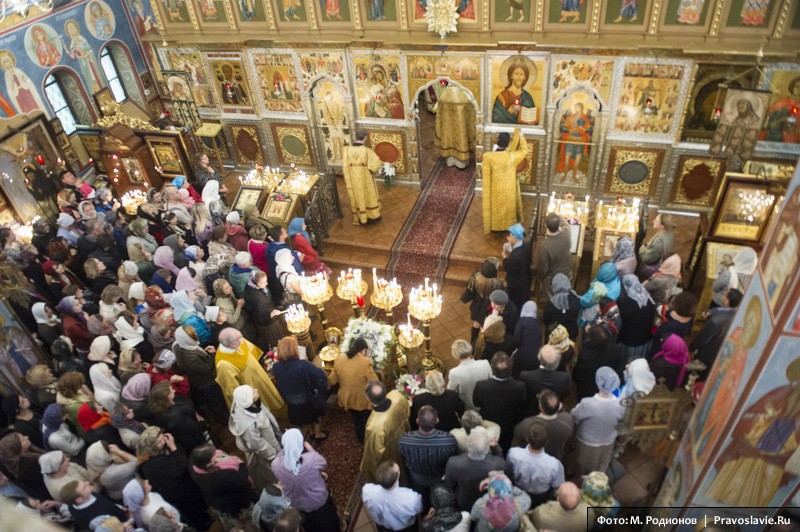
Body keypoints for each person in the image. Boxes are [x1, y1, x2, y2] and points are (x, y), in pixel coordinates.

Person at [136, 426, 212, 530]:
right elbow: (182, 465)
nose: (163, 438)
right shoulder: (157, 464)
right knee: (196, 513)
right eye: (159, 440)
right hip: (182, 493)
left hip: (175, 495)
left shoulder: (146, 464)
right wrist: (172, 446)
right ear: (154, 447)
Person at [272, 428, 339, 532]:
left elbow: (284, 459)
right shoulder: (311, 459)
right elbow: (323, 463)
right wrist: (311, 449)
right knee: (331, 524)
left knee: (312, 527)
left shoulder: (276, 465)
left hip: (299, 507)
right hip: (319, 503)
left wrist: (288, 443)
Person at [215, 327, 286, 416]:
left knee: (272, 396)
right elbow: (232, 389)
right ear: (232, 345)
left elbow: (251, 351)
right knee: (265, 408)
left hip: (260, 376)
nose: (242, 337)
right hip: (252, 387)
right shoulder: (223, 364)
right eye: (240, 337)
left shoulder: (237, 340)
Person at [398, 405, 458, 504]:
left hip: (417, 477)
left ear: (417, 421)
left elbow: (403, 456)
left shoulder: (405, 440)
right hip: (439, 477)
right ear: (437, 421)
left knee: (421, 500)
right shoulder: (448, 441)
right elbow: (453, 457)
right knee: (441, 501)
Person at [272, 336, 329, 440]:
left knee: (306, 419)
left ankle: (311, 432)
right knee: (317, 416)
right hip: (308, 401)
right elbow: (321, 376)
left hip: (292, 403)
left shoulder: (276, 367)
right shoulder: (303, 364)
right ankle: (318, 434)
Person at [571, 367, 625, 476]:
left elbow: (574, 416)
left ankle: (579, 482)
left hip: (587, 441)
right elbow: (621, 419)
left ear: (598, 382)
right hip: (608, 440)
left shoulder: (588, 403)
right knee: (601, 464)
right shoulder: (620, 404)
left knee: (582, 464)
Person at [189, 443, 258, 526]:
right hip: (236, 504)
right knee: (249, 524)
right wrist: (241, 464)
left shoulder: (194, 467)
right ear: (208, 463)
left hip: (219, 503)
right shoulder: (224, 476)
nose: (217, 453)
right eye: (214, 454)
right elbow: (242, 479)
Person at [228, 384, 282, 490]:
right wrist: (273, 456)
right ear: (247, 399)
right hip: (266, 454)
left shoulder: (251, 404)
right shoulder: (246, 424)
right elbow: (257, 445)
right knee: (273, 475)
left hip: (272, 441)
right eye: (253, 391)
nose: (256, 390)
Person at [473, 352, 526, 454]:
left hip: (488, 422)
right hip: (508, 423)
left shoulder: (481, 386)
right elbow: (522, 405)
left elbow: (476, 403)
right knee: (506, 445)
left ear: (492, 369)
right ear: (510, 370)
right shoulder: (519, 386)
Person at [329, 337, 379, 443]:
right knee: (365, 419)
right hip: (362, 399)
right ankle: (366, 438)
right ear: (363, 350)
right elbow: (374, 382)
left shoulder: (339, 359)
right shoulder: (365, 362)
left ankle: (360, 436)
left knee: (356, 419)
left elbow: (332, 380)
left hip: (346, 397)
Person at [444, 427, 507, 511]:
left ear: (468, 443)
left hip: (463, 503)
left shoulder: (453, 462)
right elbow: (501, 466)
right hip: (488, 504)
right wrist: (497, 450)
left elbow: (449, 485)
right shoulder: (498, 463)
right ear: (487, 447)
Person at [360, 380, 410, 483]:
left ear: (368, 398)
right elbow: (407, 413)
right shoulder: (396, 395)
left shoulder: (374, 426)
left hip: (391, 455)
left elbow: (373, 454)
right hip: (405, 441)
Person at [505, 420, 564, 506]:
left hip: (517, 492)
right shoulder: (554, 465)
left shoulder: (513, 453)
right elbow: (558, 485)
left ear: (527, 439)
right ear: (546, 442)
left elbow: (508, 472)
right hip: (540, 498)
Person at [481, 128, 527, 234]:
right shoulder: (512, 156)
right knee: (508, 207)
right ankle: (508, 226)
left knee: (497, 206)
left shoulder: (488, 156)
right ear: (508, 143)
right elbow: (524, 150)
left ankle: (495, 226)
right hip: (509, 188)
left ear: (497, 140)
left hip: (495, 188)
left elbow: (486, 173)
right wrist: (521, 137)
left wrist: (494, 151)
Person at [691, 288, 742, 380]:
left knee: (696, 372)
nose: (722, 296)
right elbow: (719, 310)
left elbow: (703, 338)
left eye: (724, 295)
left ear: (727, 300)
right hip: (719, 352)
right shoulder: (735, 314)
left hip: (707, 353)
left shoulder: (714, 322)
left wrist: (691, 348)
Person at [513, 390, 573, 461]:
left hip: (532, 457)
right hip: (555, 457)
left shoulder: (528, 424)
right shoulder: (567, 419)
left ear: (540, 407)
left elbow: (516, 431)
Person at [148, 382, 208, 454]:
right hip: (193, 439)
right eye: (171, 392)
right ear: (166, 397)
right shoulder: (175, 417)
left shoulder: (170, 402)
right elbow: (194, 428)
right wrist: (203, 422)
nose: (174, 391)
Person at [362, 461, 422, 531]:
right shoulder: (411, 497)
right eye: (399, 471)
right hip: (407, 529)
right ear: (398, 477)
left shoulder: (367, 490)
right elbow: (419, 509)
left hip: (382, 528)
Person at [461, 258, 506, 345]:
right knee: (484, 327)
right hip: (487, 309)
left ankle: (472, 343)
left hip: (477, 305)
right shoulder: (497, 284)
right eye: (496, 268)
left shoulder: (476, 277)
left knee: (476, 323)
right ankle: (480, 345)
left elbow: (470, 289)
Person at [342, 130, 382, 225]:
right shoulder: (367, 151)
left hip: (353, 180)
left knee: (357, 196)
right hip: (365, 179)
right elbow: (376, 164)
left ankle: (360, 217)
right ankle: (371, 216)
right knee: (368, 195)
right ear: (365, 138)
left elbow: (344, 166)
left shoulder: (347, 150)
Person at [574, 324, 624, 400]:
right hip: (609, 388)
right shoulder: (617, 350)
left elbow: (578, 374)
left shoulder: (585, 355)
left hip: (588, 390)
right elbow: (619, 369)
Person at [519, 345, 570, 416]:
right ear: (557, 362)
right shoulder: (565, 378)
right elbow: (565, 393)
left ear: (539, 358)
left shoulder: (525, 376)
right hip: (553, 412)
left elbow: (523, 396)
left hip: (531, 413)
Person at [59, 479, 127, 530]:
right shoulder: (96, 519)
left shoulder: (85, 497)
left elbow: (106, 503)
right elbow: (115, 528)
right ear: (79, 499)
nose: (88, 483)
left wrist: (119, 507)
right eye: (84, 487)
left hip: (118, 510)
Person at [616, 274, 656, 359]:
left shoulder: (624, 303)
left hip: (631, 340)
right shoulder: (649, 298)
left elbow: (621, 322)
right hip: (646, 338)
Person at [446, 339, 492, 411]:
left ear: (455, 355)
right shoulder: (485, 363)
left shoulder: (454, 373)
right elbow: (491, 380)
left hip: (469, 405)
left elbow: (450, 390)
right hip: (486, 401)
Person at [530, 481, 595, 531]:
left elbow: (534, 520)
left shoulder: (540, 512)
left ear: (558, 499)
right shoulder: (588, 512)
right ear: (579, 500)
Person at [536, 214, 573, 299]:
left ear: (546, 226)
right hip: (567, 273)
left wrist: (540, 279)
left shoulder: (544, 246)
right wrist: (558, 216)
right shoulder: (566, 233)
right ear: (558, 224)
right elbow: (565, 222)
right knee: (565, 295)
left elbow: (543, 268)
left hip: (553, 278)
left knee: (553, 299)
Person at [502, 223, 532, 310]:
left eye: (510, 236)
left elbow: (510, 269)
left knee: (516, 304)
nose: (507, 237)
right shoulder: (525, 245)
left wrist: (505, 257)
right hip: (525, 279)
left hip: (516, 285)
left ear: (516, 237)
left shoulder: (516, 255)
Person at [543, 274, 581, 340]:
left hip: (554, 334)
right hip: (571, 334)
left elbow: (546, 318)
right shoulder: (577, 299)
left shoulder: (552, 301)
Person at [638, 213, 676, 279]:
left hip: (658, 268)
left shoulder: (659, 242)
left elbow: (646, 259)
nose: (653, 221)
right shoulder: (667, 232)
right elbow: (650, 245)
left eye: (656, 220)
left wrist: (641, 249)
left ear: (662, 226)